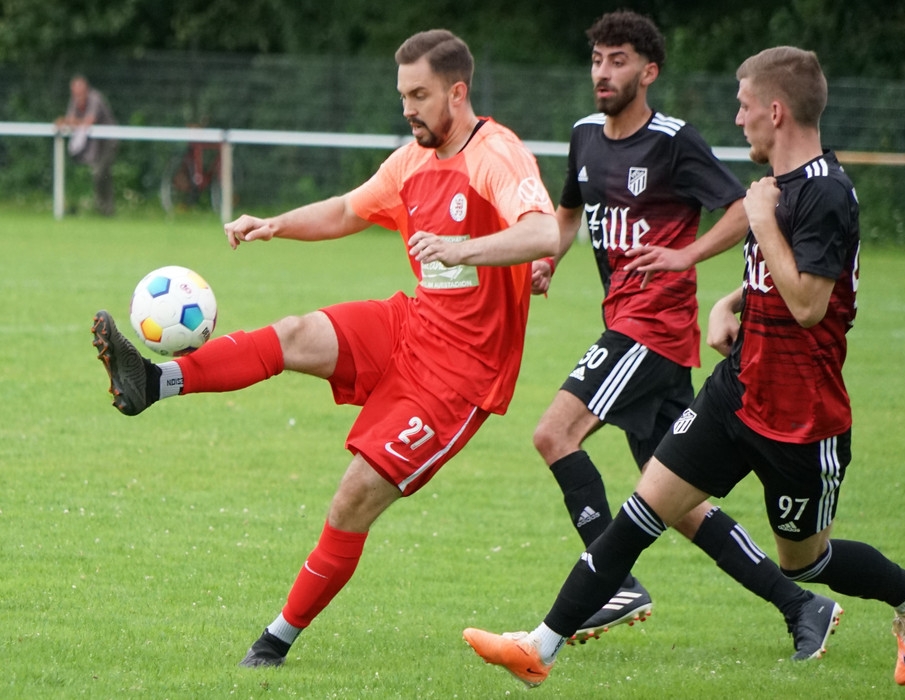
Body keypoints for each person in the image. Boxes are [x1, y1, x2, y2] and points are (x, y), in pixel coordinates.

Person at [464, 46, 905, 688]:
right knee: (641, 513)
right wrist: (729, 302)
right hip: (736, 392)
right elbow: (777, 277)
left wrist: (761, 221)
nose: (737, 118)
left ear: (775, 111)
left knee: (804, 561)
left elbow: (810, 304)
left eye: (744, 106)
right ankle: (540, 647)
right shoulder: (776, 188)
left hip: (803, 418)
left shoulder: (824, 192)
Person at [91, 29, 559, 667]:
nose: (407, 108)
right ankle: (155, 383)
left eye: (419, 95)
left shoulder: (495, 155)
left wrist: (465, 249)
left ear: (457, 92)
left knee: (353, 497)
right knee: (294, 333)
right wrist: (276, 224)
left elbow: (542, 233)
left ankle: (275, 640)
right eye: (402, 95)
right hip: (412, 324)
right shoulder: (411, 161)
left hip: (462, 375)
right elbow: (346, 211)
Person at [528, 10, 839, 655]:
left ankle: (614, 587)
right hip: (629, 327)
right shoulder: (584, 136)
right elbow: (566, 215)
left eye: (617, 61)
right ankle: (800, 604)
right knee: (677, 501)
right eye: (596, 60)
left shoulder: (673, 142)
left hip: (653, 329)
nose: (603, 72)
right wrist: (549, 258)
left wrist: (685, 255)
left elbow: (742, 207)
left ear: (649, 72)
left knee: (554, 433)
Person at [55, 75, 118, 216]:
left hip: (108, 141)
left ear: (86, 89)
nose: (77, 96)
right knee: (99, 174)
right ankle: (103, 208)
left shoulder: (95, 98)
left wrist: (67, 121)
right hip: (93, 140)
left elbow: (89, 121)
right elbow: (71, 120)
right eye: (74, 93)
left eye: (79, 93)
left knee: (101, 173)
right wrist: (67, 121)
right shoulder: (74, 100)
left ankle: (106, 209)